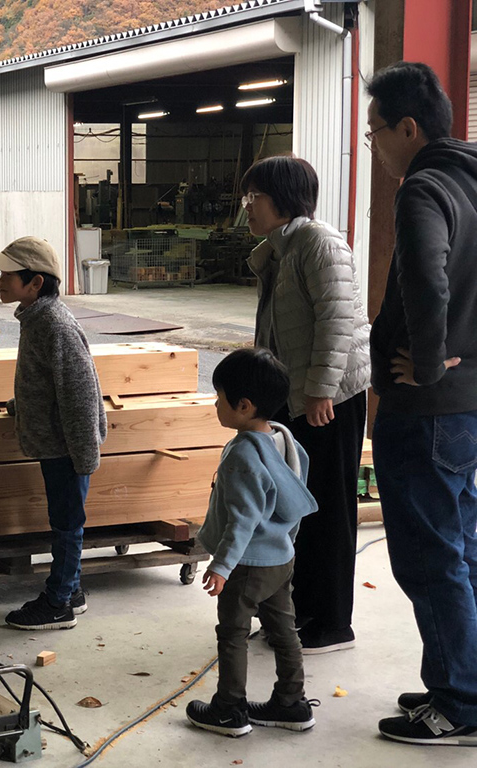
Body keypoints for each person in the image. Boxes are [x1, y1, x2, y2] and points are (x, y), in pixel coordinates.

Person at [366, 61, 477, 746]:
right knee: (462, 545)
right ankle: (460, 676)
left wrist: (430, 364)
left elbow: (429, 283)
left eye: (375, 131)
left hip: (428, 409)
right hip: (468, 410)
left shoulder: (424, 189)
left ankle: (459, 702)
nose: (373, 145)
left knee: (430, 556)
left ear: (408, 128)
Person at [242, 155, 371, 654]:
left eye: (256, 196)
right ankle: (300, 612)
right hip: (299, 396)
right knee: (298, 509)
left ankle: (333, 623)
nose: (247, 206)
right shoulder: (282, 247)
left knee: (329, 509)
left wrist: (320, 390)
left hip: (329, 398)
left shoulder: (319, 242)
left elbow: (338, 322)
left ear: (284, 198)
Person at [186, 347, 319, 738]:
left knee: (233, 634)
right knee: (284, 630)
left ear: (243, 406)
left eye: (219, 397)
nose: (214, 404)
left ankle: (228, 709)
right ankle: (291, 703)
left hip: (247, 564)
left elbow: (242, 521)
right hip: (280, 558)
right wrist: (287, 543)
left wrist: (222, 566)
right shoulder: (283, 438)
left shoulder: (243, 454)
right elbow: (295, 494)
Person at [0, 236, 106, 630]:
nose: (0, 280)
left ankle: (58, 602)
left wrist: (83, 456)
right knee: (66, 519)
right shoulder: (36, 317)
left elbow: (80, 394)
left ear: (35, 283)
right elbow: (44, 382)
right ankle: (74, 590)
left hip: (66, 446)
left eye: (8, 275)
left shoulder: (54, 324)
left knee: (66, 523)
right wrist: (20, 408)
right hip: (57, 440)